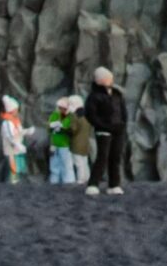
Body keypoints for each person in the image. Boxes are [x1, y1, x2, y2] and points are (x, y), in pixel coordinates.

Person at [83, 67, 128, 195]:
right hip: (103, 131)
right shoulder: (94, 96)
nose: (111, 80)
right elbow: (90, 114)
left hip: (118, 130)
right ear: (100, 80)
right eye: (108, 78)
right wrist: (102, 125)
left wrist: (122, 124)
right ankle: (93, 184)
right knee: (102, 157)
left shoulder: (116, 94)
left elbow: (123, 110)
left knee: (116, 157)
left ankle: (114, 184)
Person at [47, 95, 86, 187]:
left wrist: (62, 128)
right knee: (54, 164)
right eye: (60, 108)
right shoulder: (54, 116)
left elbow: (71, 129)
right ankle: (54, 180)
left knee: (67, 164)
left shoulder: (71, 117)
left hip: (65, 144)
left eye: (63, 108)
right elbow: (49, 128)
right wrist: (52, 127)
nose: (61, 110)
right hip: (55, 144)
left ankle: (68, 181)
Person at [0, 95, 29, 183]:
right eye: (16, 109)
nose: (17, 111)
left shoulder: (15, 121)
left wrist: (27, 131)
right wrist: (17, 145)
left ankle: (17, 184)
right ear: (12, 110)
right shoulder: (7, 123)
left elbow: (19, 132)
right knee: (13, 169)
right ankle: (11, 186)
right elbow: (10, 136)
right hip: (11, 150)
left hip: (18, 150)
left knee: (19, 168)